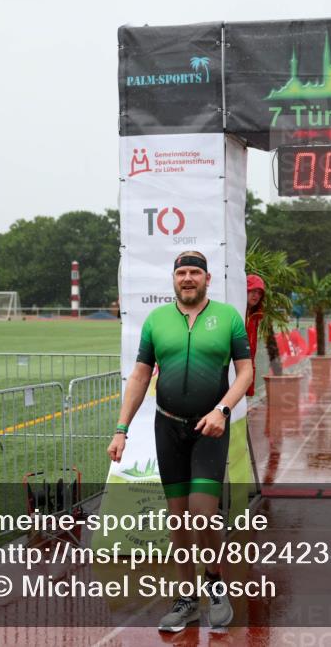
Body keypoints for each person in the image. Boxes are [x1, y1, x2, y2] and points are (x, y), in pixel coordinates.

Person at [108, 250, 253, 633]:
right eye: (182, 273)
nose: (188, 278)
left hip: (210, 428)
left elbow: (245, 372)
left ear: (207, 279)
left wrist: (222, 410)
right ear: (174, 279)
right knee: (178, 518)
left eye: (195, 272)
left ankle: (215, 584)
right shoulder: (156, 321)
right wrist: (121, 429)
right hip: (168, 427)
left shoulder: (228, 318)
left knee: (202, 513)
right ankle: (187, 598)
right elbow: (140, 376)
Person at [245, 274, 265, 397]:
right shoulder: (235, 312)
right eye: (253, 291)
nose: (256, 295)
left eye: (259, 293)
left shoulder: (255, 316)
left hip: (247, 366)